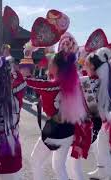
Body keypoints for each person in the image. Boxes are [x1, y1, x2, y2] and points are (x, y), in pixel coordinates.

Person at [28, 32, 89, 180]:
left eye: (52, 63)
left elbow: (29, 81)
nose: (49, 65)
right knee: (58, 166)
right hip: (69, 129)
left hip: (55, 130)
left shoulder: (52, 86)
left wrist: (27, 57)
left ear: (57, 67)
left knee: (35, 161)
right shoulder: (75, 83)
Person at [85, 47, 111, 179]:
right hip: (102, 117)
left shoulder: (92, 81)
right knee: (100, 148)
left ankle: (106, 173)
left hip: (97, 118)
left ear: (92, 66)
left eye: (86, 63)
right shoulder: (100, 79)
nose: (84, 66)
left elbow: (89, 102)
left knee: (99, 148)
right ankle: (103, 172)